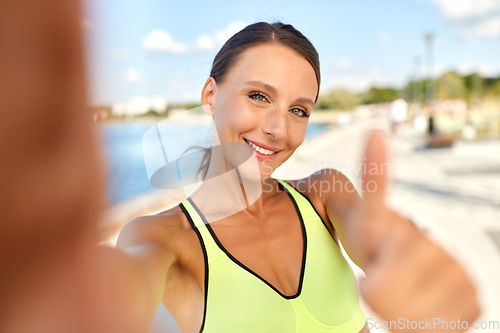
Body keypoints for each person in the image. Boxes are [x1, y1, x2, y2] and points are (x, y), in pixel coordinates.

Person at [0, 1, 479, 332]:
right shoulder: (162, 240)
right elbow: (122, 288)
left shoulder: (324, 194)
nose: (278, 128)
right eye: (258, 96)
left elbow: (376, 238)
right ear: (211, 96)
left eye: (299, 110)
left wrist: (401, 252)